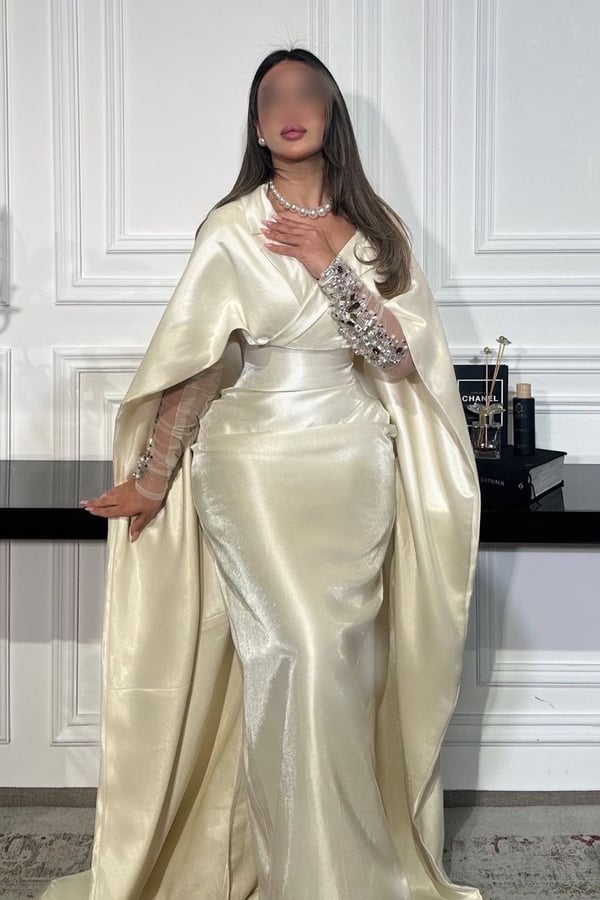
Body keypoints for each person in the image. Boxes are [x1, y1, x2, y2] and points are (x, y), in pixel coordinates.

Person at [40, 47, 482, 900]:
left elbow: (399, 361)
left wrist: (327, 265)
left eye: (306, 92)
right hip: (250, 467)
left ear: (330, 116)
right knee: (299, 652)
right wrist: (154, 477)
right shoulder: (232, 228)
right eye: (271, 97)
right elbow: (201, 365)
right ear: (256, 125)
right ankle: (309, 877)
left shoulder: (375, 229)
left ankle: (347, 868)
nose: (289, 107)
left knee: (341, 668)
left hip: (352, 467)